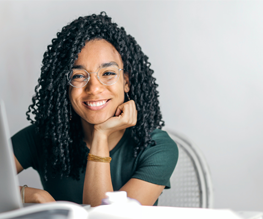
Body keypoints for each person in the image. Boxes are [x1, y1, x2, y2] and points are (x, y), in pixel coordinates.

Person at [11, 12, 178, 207]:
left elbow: (106, 217)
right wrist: (31, 195)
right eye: (78, 76)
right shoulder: (44, 136)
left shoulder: (156, 147)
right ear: (64, 86)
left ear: (126, 81)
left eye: (107, 73)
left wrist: (101, 134)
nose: (94, 88)